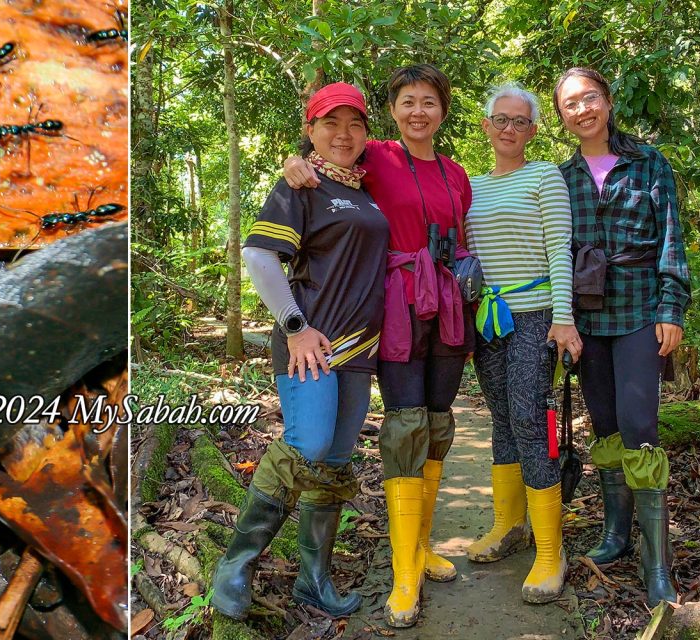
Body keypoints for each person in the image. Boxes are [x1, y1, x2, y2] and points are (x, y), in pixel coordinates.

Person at [283, 63, 471, 628]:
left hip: (448, 306)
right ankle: (403, 574)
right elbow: (322, 161)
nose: (419, 112)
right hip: (392, 307)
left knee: (438, 423)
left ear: (442, 111)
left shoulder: (457, 173)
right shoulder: (375, 156)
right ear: (394, 111)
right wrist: (292, 164)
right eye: (409, 101)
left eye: (430, 103)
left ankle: (421, 547)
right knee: (405, 424)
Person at [210, 82, 388, 621]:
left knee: (333, 462)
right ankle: (236, 563)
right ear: (310, 130)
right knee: (307, 444)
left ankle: (315, 579)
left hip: (359, 350)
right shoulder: (299, 186)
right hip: (309, 345)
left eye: (354, 123)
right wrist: (294, 326)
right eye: (330, 123)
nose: (343, 133)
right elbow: (260, 256)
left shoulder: (365, 187)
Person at [553, 67, 690, 608]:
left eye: (589, 98)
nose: (582, 109)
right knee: (605, 423)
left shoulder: (648, 162)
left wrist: (671, 307)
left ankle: (658, 564)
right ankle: (616, 535)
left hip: (639, 310)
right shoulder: (560, 177)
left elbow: (670, 239)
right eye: (570, 104)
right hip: (587, 316)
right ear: (561, 116)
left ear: (607, 102)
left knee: (640, 426)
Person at [462, 83, 579, 604]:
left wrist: (564, 318)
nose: (509, 128)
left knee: (532, 417)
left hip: (536, 315)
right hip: (489, 317)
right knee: (502, 417)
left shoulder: (544, 176)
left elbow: (560, 248)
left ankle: (551, 550)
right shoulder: (471, 186)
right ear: (485, 126)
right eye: (500, 119)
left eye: (520, 121)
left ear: (532, 130)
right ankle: (510, 525)